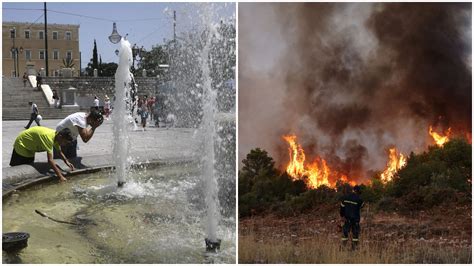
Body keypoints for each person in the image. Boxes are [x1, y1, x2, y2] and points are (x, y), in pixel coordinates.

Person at [10, 127, 75, 182]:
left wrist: (67, 162)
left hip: (30, 148)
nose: (65, 144)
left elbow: (59, 151)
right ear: (60, 137)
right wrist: (61, 177)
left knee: (28, 166)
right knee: (17, 169)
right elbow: (50, 160)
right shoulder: (48, 138)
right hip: (22, 145)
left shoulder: (56, 137)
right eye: (65, 142)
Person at [340, 185, 364, 250]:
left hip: (347, 219)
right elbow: (361, 206)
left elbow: (342, 208)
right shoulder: (360, 200)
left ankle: (343, 247)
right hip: (355, 220)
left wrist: (342, 216)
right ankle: (354, 248)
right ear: (358, 192)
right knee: (355, 234)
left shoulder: (345, 197)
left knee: (345, 233)